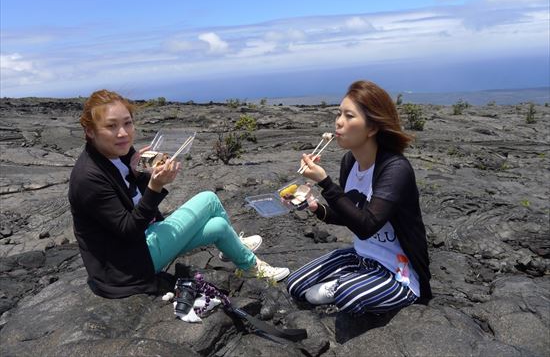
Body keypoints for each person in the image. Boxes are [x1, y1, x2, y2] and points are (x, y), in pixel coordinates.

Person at [69, 89, 289, 299]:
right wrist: (155, 186)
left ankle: (245, 261)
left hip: (143, 243)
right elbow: (128, 230)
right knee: (209, 199)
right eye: (111, 126)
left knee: (220, 228)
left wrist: (139, 174)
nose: (123, 133)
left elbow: (137, 200)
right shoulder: (88, 178)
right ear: (90, 131)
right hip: (128, 265)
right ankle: (245, 259)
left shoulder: (122, 153)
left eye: (127, 123)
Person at [286, 80, 432, 315]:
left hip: (397, 268)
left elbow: (366, 226)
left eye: (349, 116)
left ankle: (349, 285)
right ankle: (352, 279)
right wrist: (314, 206)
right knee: (294, 285)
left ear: (372, 127)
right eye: (339, 114)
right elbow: (350, 215)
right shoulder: (350, 162)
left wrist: (326, 183)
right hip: (362, 255)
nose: (339, 122)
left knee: (348, 298)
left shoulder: (395, 169)